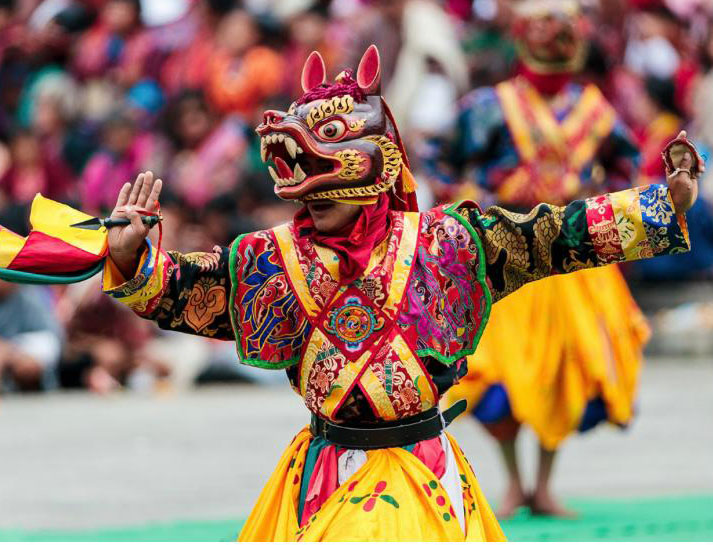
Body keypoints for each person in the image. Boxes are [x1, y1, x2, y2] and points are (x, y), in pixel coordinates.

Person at [100, 46, 698, 540]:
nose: (312, 199)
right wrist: (133, 259)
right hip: (325, 470)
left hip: (422, 470)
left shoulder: (450, 244)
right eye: (305, 189)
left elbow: (551, 236)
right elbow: (195, 290)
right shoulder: (271, 259)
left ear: (379, 166)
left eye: (326, 181)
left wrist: (660, 206)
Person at [432, 0, 661, 518]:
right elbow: (439, 158)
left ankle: (543, 482)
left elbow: (627, 164)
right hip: (505, 251)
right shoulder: (489, 105)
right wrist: (469, 197)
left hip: (571, 256)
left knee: (565, 369)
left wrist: (597, 194)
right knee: (496, 372)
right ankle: (514, 481)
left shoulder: (594, 109)